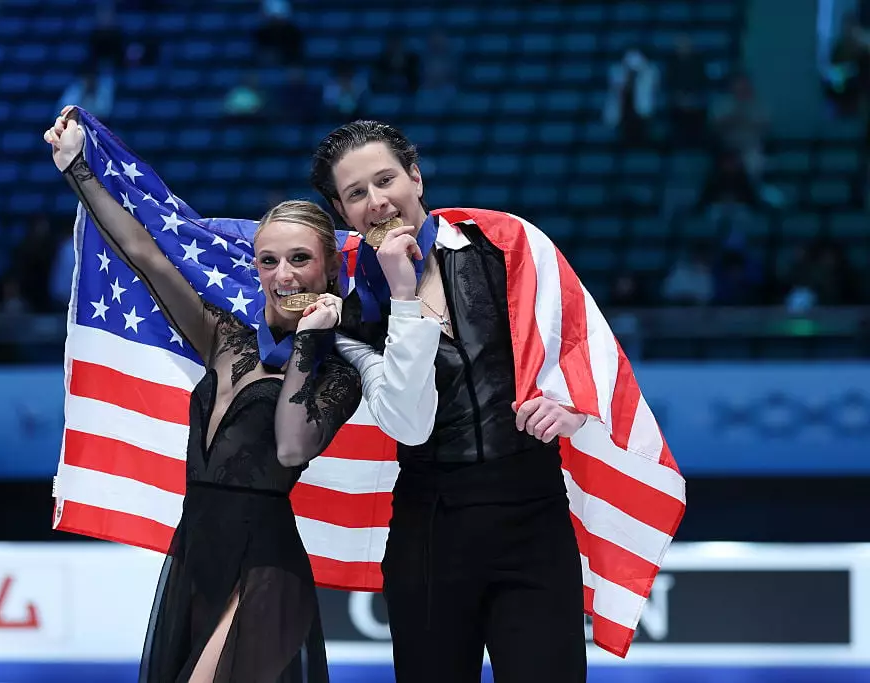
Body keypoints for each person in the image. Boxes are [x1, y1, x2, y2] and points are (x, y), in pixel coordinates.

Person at [313, 120, 685, 681]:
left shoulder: (506, 245)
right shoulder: (350, 302)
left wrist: (570, 405)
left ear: (416, 177)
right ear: (343, 213)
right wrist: (403, 296)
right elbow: (407, 425)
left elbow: (578, 347)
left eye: (386, 179)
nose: (377, 201)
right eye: (356, 193)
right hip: (430, 529)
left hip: (531, 515)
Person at [44, 110, 361, 683]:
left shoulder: (338, 370)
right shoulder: (225, 337)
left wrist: (311, 341)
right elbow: (144, 255)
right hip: (195, 552)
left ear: (329, 267)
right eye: (269, 260)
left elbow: (291, 448)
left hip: (264, 566)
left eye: (299, 259)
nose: (283, 275)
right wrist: (78, 170)